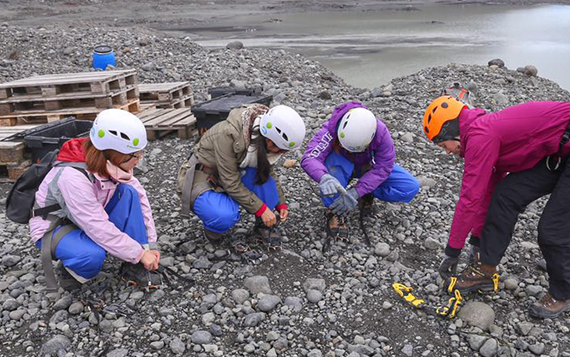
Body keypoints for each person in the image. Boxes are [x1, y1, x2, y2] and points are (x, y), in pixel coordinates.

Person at [423, 94, 570, 318]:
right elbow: (488, 191)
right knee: (505, 195)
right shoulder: (479, 132)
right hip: (564, 148)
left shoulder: (480, 135)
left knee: (553, 230)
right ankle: (486, 269)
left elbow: (469, 198)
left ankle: (564, 295)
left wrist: (452, 252)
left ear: (451, 130)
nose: (447, 151)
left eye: (444, 145)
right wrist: (477, 241)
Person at [29, 109, 161, 291]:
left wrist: (149, 246)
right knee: (91, 256)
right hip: (57, 225)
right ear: (114, 154)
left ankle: (133, 266)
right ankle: (71, 273)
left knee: (128, 192)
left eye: (140, 154)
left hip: (87, 216)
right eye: (134, 156)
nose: (138, 161)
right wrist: (138, 253)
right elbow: (96, 225)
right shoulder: (72, 177)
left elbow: (140, 198)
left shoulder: (111, 164)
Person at [178, 103, 305, 245]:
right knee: (224, 216)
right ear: (270, 141)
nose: (283, 154)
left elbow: (268, 172)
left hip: (230, 173)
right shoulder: (229, 134)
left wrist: (280, 203)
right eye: (282, 150)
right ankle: (213, 231)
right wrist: (261, 209)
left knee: (264, 179)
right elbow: (231, 183)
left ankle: (263, 226)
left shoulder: (261, 138)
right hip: (203, 175)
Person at [301, 102, 420, 232]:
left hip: (367, 166)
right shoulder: (332, 128)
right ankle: (334, 210)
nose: (352, 152)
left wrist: (357, 191)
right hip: (340, 165)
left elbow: (384, 167)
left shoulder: (380, 132)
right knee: (333, 169)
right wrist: (323, 177)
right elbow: (310, 158)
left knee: (409, 187)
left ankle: (364, 192)